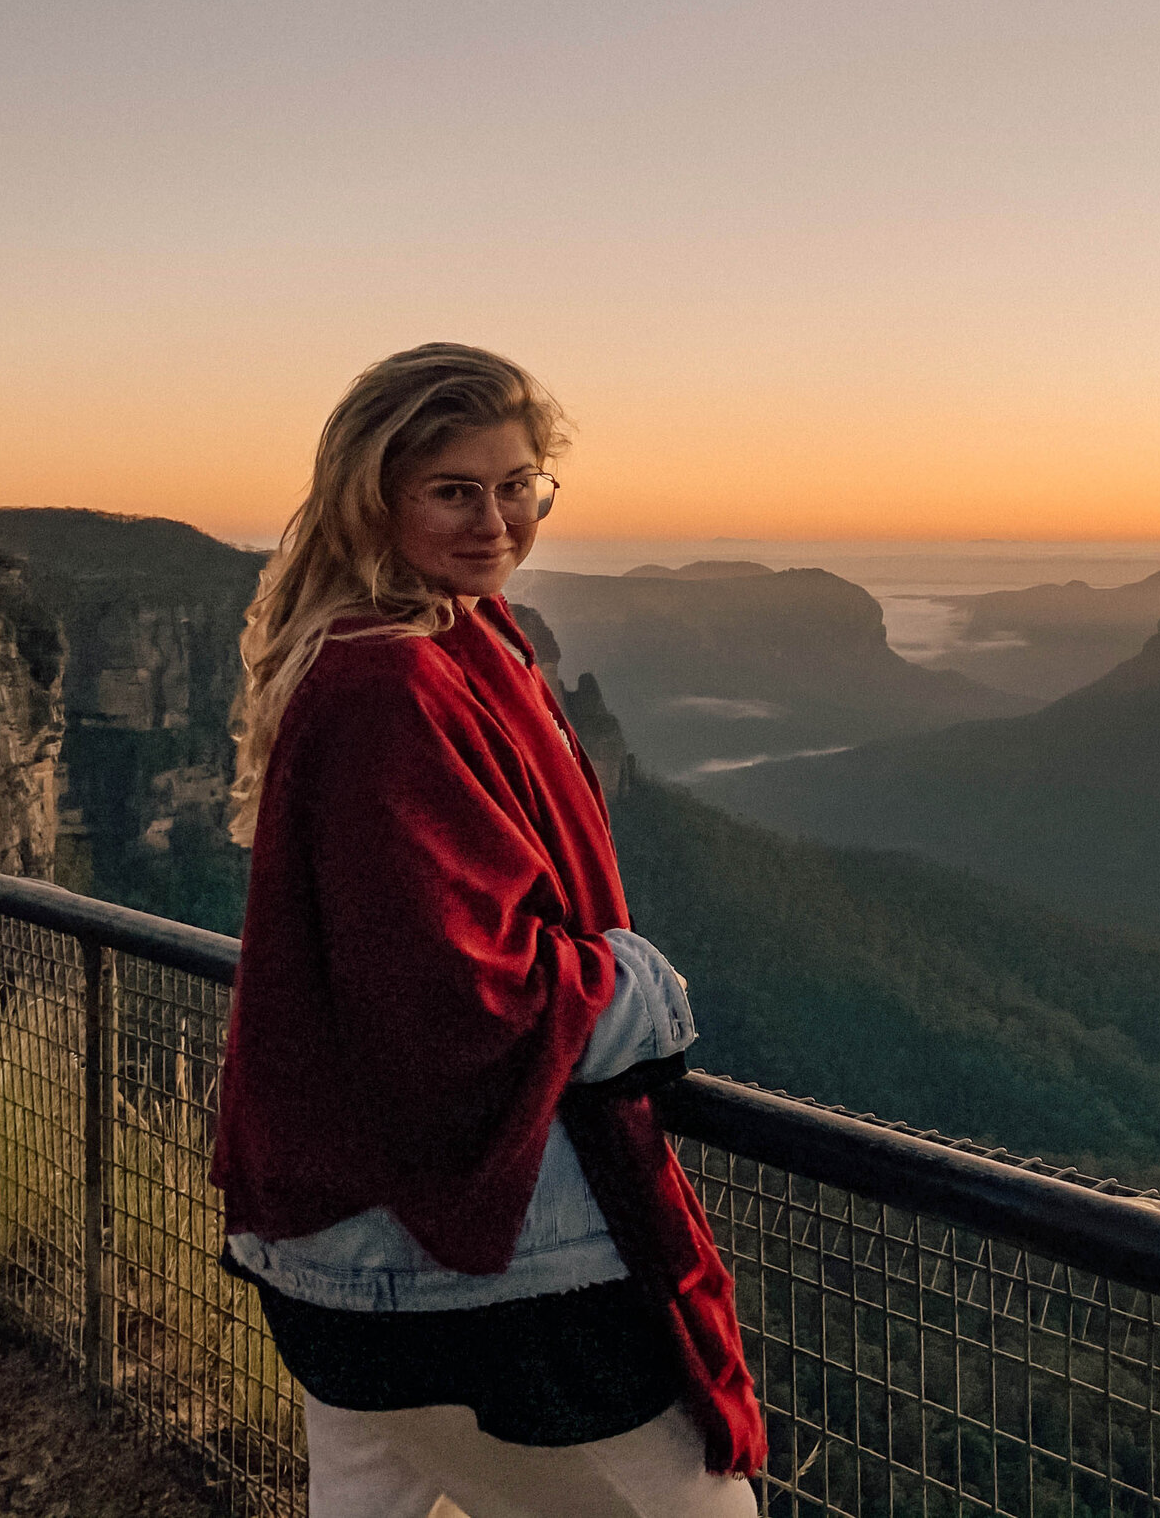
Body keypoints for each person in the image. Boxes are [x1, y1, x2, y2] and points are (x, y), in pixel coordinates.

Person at [212, 343, 764, 1518]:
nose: (497, 520)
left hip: (344, 1244)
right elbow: (460, 993)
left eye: (519, 485)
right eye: (453, 490)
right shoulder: (392, 684)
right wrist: (642, 993)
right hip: (459, 1260)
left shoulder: (454, 638)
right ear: (378, 494)